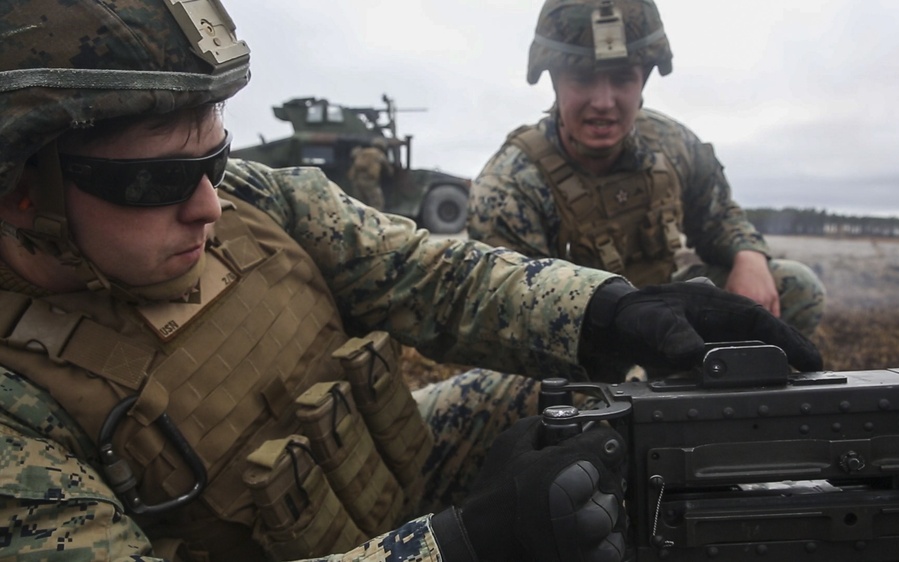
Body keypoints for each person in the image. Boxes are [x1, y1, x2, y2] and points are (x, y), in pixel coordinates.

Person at [0, 1, 822, 561]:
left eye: (214, 157)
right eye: (159, 180)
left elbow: (425, 273)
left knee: (577, 403)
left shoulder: (257, 197)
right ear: (21, 181)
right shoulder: (18, 406)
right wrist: (466, 544)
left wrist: (608, 312)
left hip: (383, 474)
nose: (211, 204)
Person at [468, 0, 827, 338]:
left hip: (665, 320)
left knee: (795, 287)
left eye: (622, 79)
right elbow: (516, 316)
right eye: (581, 78)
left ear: (644, 82)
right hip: (571, 347)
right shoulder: (510, 186)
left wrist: (747, 256)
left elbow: (717, 218)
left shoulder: (671, 143)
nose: (604, 103)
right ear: (554, 82)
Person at [347, 137, 391, 210]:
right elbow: (387, 167)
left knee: (359, 202)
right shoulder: (379, 154)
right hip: (370, 181)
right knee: (377, 203)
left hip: (357, 180)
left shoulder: (362, 152)